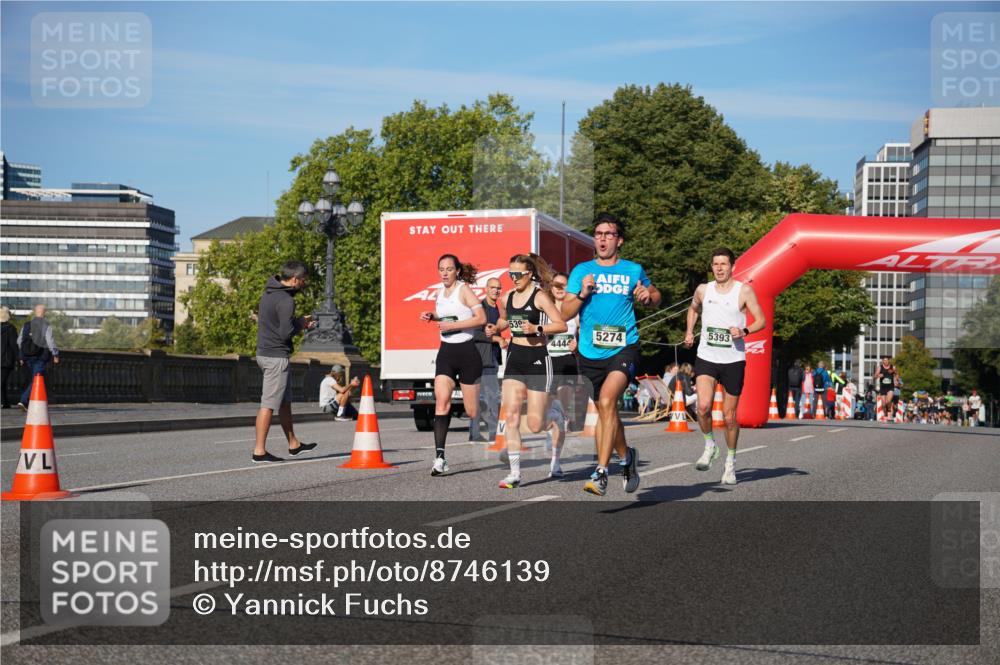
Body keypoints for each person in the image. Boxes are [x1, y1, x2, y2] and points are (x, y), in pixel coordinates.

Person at [562, 212, 661, 496]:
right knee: (607, 411)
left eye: (609, 234)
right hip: (590, 354)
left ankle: (601, 472)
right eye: (598, 234)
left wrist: (648, 297)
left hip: (623, 347)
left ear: (620, 240)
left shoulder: (633, 270)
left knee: (607, 400)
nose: (602, 238)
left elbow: (654, 296)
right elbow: (565, 312)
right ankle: (627, 458)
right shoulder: (582, 271)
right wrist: (582, 293)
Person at [685, 247, 766, 486]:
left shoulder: (744, 291)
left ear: (732, 266)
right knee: (702, 406)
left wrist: (744, 331)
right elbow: (693, 309)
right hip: (707, 357)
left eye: (723, 264)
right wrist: (689, 331)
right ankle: (710, 445)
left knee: (730, 417)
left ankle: (730, 463)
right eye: (715, 264)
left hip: (733, 360)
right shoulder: (703, 289)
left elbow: (761, 319)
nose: (719, 268)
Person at [486, 253, 566, 488]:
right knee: (510, 415)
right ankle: (514, 473)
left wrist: (536, 327)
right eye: (511, 274)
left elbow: (560, 324)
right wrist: (495, 327)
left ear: (529, 274)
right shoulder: (508, 297)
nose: (514, 278)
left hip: (537, 359)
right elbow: (505, 321)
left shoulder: (539, 297)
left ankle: (555, 416)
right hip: (515, 357)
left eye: (518, 274)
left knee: (534, 425)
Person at [420, 254, 486, 476]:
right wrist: (433, 316)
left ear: (457, 271)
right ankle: (440, 458)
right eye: (441, 269)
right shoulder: (440, 292)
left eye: (449, 269)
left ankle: (493, 410)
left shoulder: (464, 290)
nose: (445, 273)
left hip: (467, 352)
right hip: (446, 353)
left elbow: (481, 318)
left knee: (472, 410)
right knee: (442, 402)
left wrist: (454, 325)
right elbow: (445, 316)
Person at [253, 261, 319, 463]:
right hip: (276, 358)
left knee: (284, 402)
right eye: (303, 281)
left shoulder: (268, 293)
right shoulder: (286, 300)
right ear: (295, 279)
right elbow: (285, 332)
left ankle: (293, 444)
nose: (304, 284)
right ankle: (259, 451)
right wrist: (302, 323)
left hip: (264, 353)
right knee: (269, 404)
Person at [471, 277, 505, 441]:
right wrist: (495, 339)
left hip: (493, 358)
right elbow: (474, 334)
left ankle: (475, 433)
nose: (496, 291)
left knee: (487, 397)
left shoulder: (497, 309)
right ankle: (492, 433)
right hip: (482, 359)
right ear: (486, 288)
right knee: (491, 397)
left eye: (498, 288)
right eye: (492, 287)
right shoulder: (481, 309)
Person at [548, 272, 580, 431]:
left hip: (567, 361)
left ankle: (559, 427)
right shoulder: (544, 309)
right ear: (551, 288)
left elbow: (586, 334)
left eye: (563, 285)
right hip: (547, 362)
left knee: (561, 405)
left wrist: (578, 345)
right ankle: (557, 423)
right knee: (546, 414)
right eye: (556, 285)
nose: (560, 288)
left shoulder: (576, 312)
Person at [16, 304, 60, 410]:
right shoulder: (46, 325)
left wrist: (22, 356)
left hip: (27, 357)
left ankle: (30, 402)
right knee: (37, 379)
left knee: (33, 379)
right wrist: (55, 354)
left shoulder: (26, 325)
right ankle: (24, 400)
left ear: (35, 312)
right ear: (44, 313)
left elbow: (19, 341)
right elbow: (50, 341)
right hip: (40, 357)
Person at [1, 307, 18, 409]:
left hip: (4, 359)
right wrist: (19, 357)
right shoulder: (11, 328)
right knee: (2, 381)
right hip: (6, 360)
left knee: (2, 382)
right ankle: (5, 402)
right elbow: (14, 345)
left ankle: (6, 402)